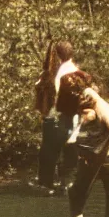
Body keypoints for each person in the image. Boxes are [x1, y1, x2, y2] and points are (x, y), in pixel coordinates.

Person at [56, 71, 109, 217]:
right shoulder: (89, 103)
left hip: (106, 160)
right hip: (98, 160)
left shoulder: (96, 101)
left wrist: (99, 154)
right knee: (77, 195)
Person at [34, 40, 79, 193]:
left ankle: (46, 186)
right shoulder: (75, 70)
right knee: (67, 152)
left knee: (48, 152)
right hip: (72, 118)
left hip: (57, 117)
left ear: (58, 55)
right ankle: (65, 184)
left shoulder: (59, 73)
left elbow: (56, 96)